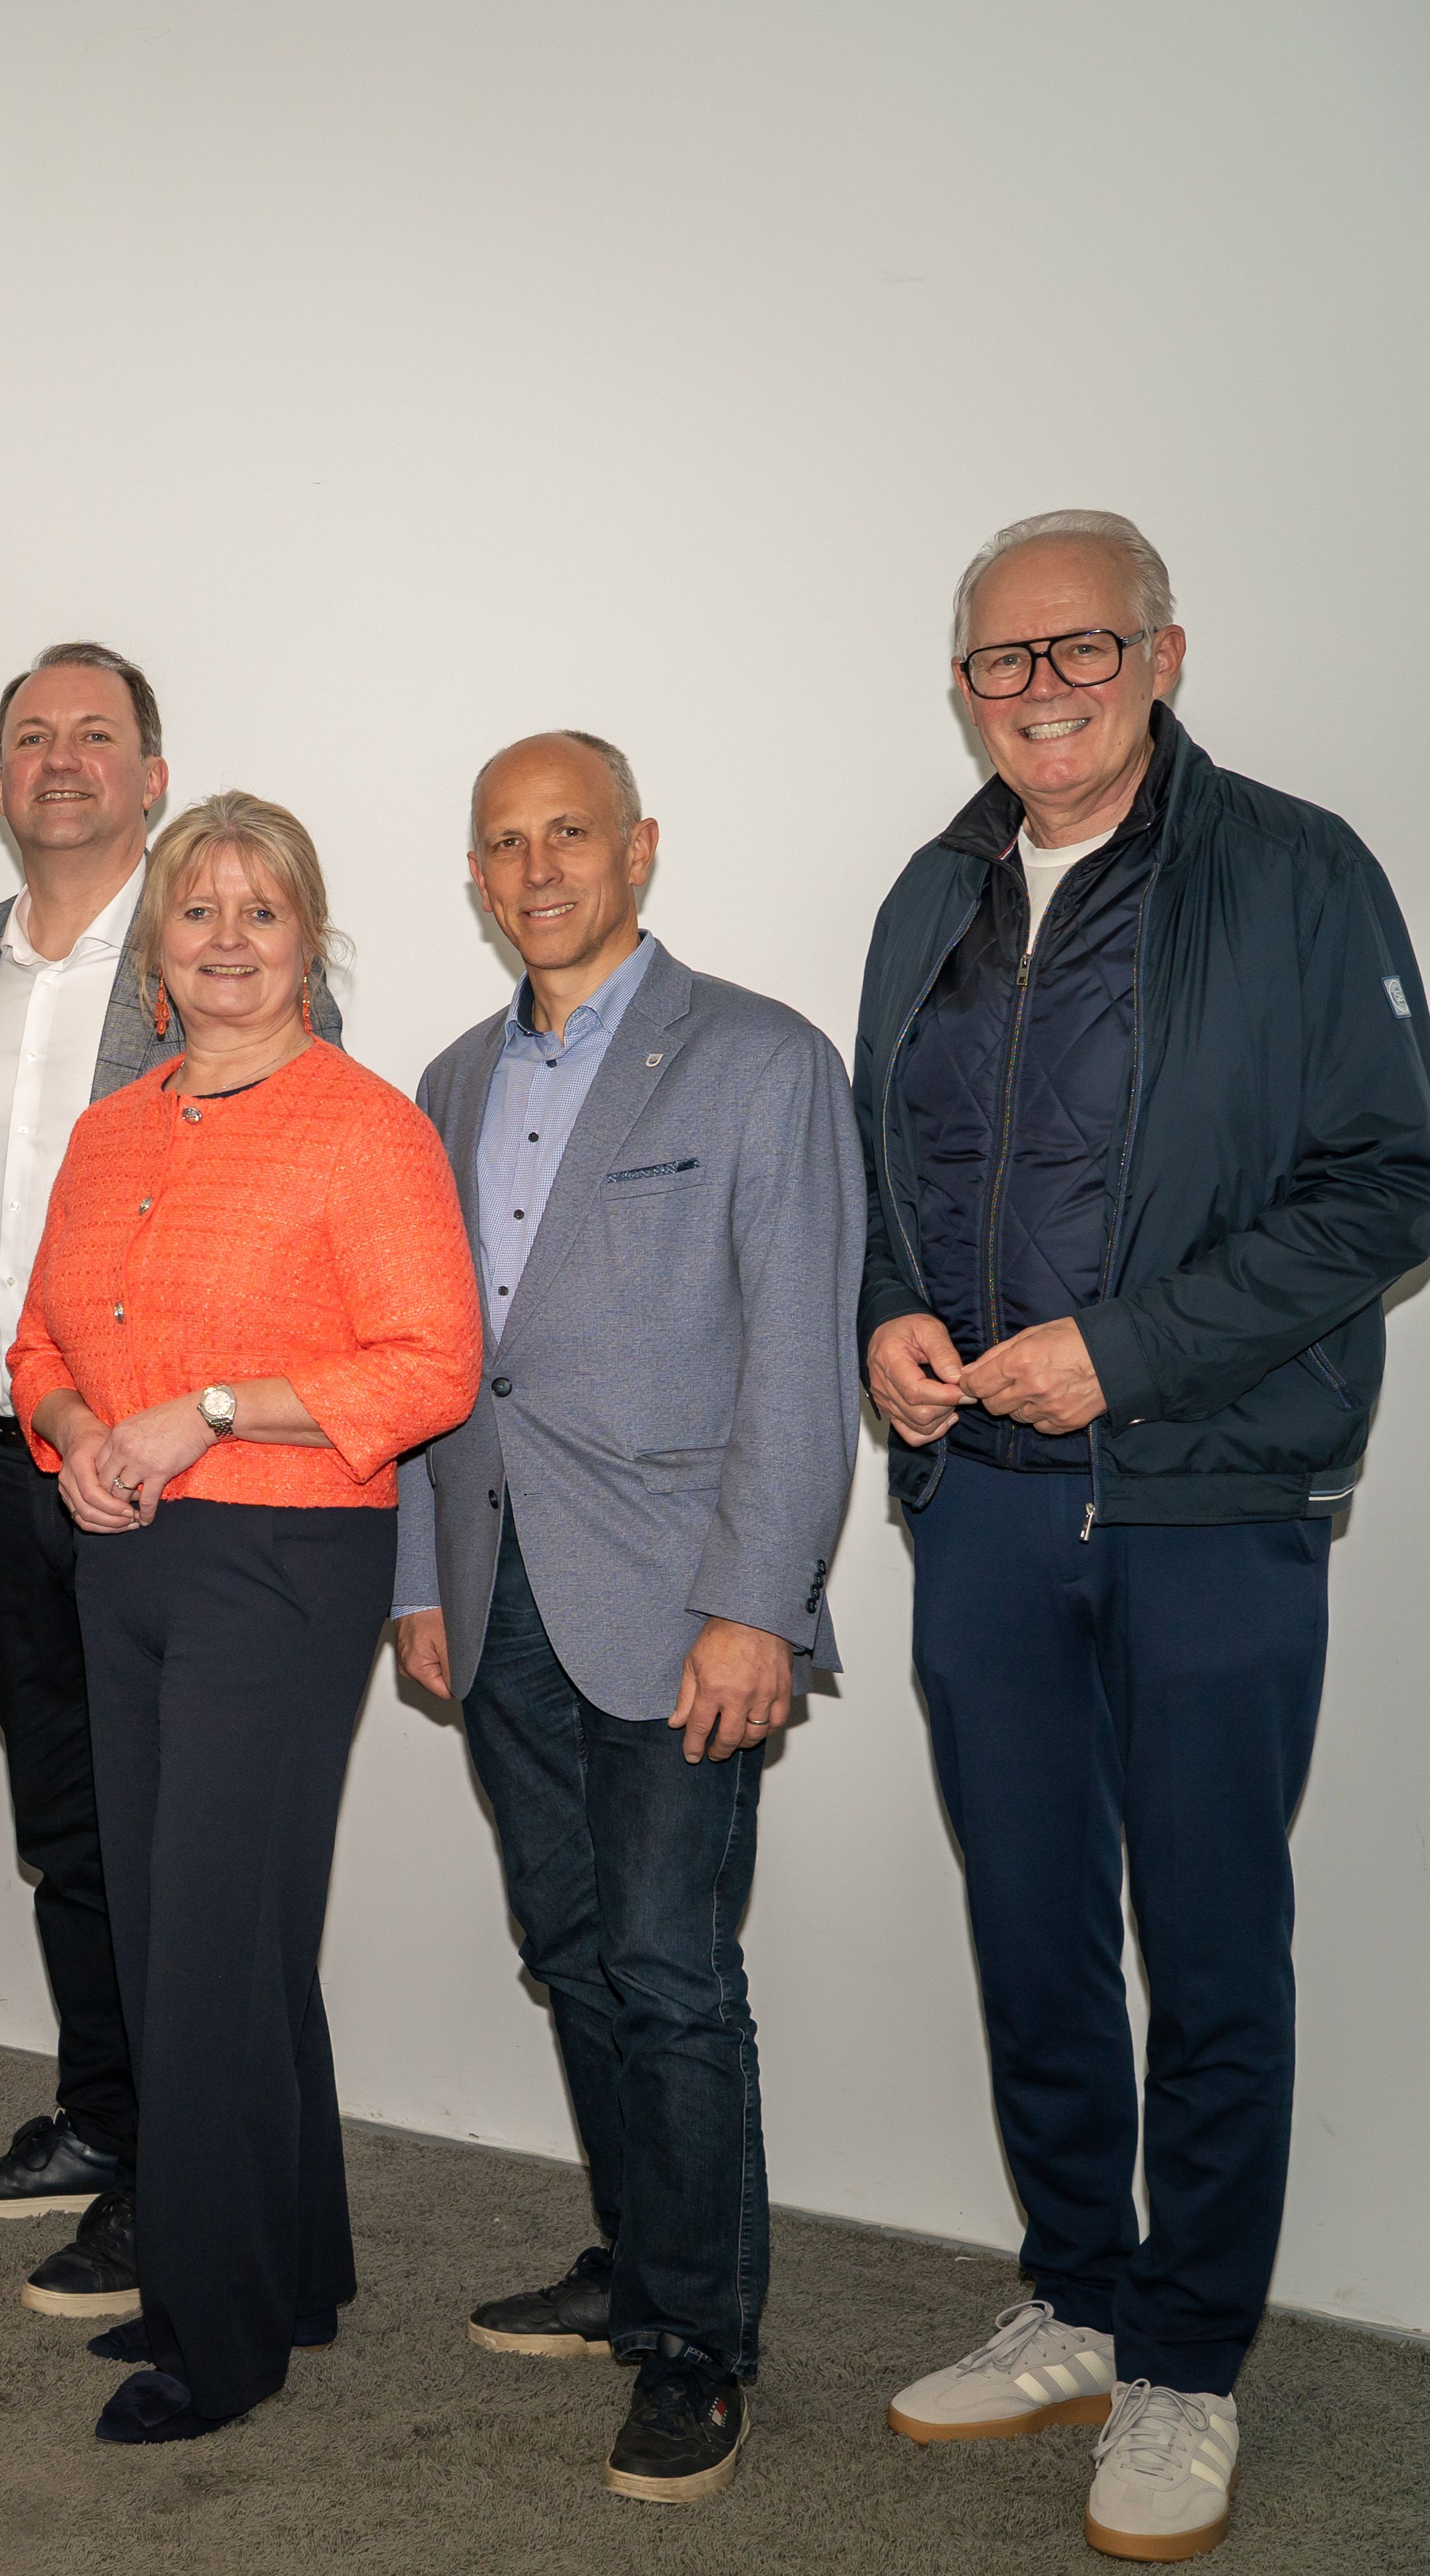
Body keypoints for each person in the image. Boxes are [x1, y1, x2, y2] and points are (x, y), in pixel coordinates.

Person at [852, 511, 1430, 2563]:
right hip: (983, 1514)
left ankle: (1185, 2361)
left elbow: (1387, 1185)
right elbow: (885, 1170)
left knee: (1202, 1945)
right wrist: (886, 1322)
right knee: (1027, 1929)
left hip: (1204, 1503)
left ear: (1159, 656)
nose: (1037, 688)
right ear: (961, 687)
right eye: (997, 661)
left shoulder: (1292, 872)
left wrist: (1124, 1349)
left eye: (1075, 648)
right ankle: (1077, 2292)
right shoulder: (928, 893)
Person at [389, 734, 863, 2505]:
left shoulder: (756, 1061)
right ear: (474, 873)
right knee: (571, 1950)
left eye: (564, 833)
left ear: (636, 850)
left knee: (668, 1974)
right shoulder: (444, 1079)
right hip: (496, 1588)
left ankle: (692, 2340)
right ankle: (632, 2260)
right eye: (500, 843)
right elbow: (430, 1360)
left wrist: (758, 1604)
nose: (533, 869)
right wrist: (418, 1578)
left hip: (678, 1604)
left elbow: (799, 1362)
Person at [8, 790, 479, 2445]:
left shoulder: (364, 1127)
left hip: (278, 1568)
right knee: (201, 1933)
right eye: (195, 913)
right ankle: (286, 2267)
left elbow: (432, 1364)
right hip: (125, 1558)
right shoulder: (112, 1129)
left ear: (309, 940)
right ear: (157, 952)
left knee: (204, 1945)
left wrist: (201, 1407)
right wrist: (75, 1443)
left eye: (258, 912)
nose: (224, 940)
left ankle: (217, 2342)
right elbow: (40, 1351)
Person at [0, 643, 340, 2322]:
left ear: (151, 774)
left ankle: (186, 2173)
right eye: (31, 737)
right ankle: (107, 2121)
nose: (62, 760)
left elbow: (283, 1206)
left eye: (97, 736)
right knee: (68, 1818)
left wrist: (188, 1421)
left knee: (177, 1843)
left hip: (171, 1469)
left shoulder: (218, 956)